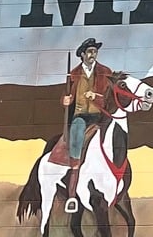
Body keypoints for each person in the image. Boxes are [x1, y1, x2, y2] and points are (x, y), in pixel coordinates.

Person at [60, 39, 117, 208]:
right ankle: (74, 179)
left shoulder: (105, 72)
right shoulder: (74, 73)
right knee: (77, 136)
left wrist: (97, 97)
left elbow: (110, 95)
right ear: (82, 54)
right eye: (90, 52)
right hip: (81, 115)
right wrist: (65, 100)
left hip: (100, 115)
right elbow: (67, 95)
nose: (93, 55)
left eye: (95, 51)